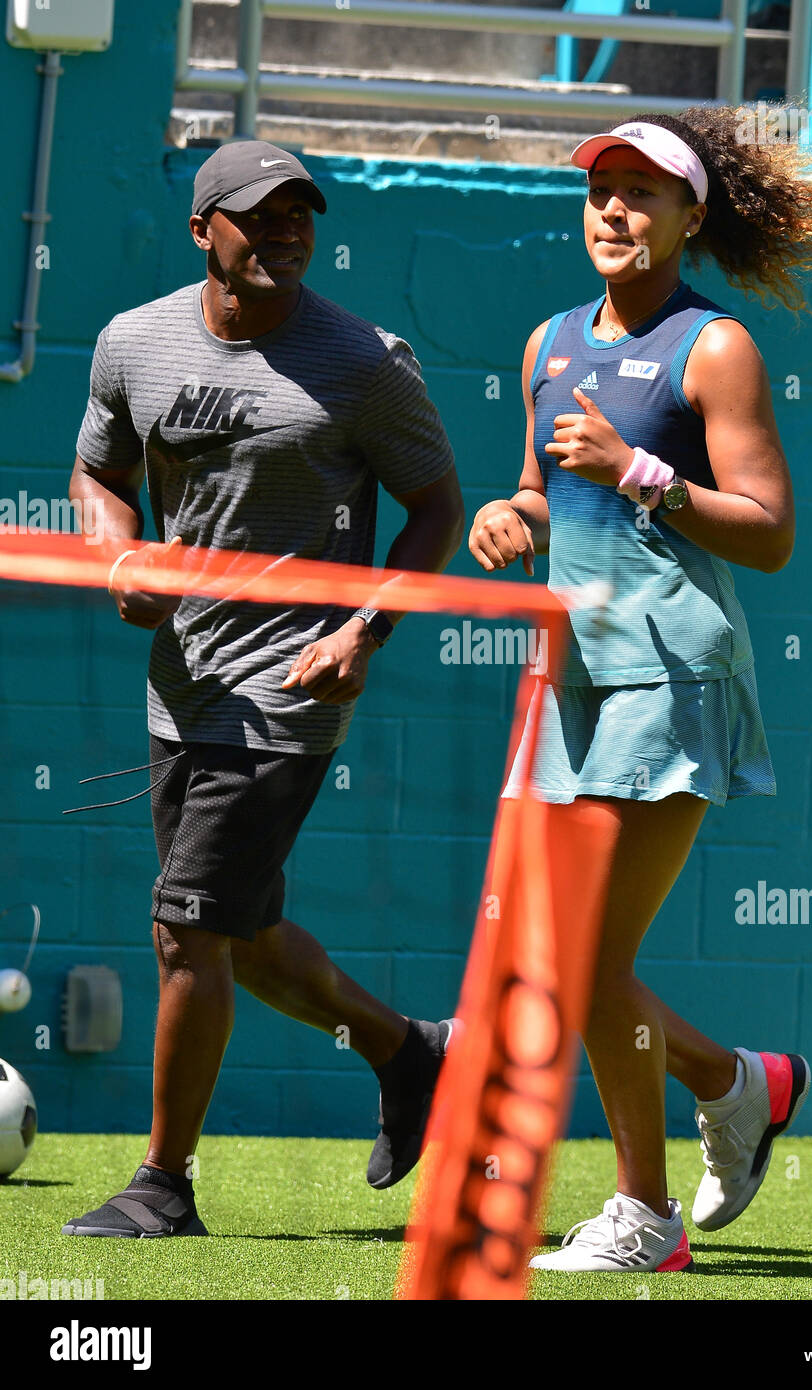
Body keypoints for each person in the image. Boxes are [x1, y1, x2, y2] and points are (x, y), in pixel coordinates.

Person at [469, 110, 812, 1272]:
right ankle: (732, 1083)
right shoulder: (547, 342)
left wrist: (641, 470)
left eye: (643, 193)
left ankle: (646, 1217)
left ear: (689, 218)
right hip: (574, 678)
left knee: (583, 962)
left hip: (671, 673)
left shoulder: (715, 349)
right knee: (566, 958)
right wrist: (512, 514)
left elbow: (769, 534)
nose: (614, 209)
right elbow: (544, 490)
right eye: (601, 188)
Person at [62, 140, 465, 1237]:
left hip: (291, 686)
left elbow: (436, 505)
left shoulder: (364, 361)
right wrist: (120, 555)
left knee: (183, 928)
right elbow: (100, 474)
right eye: (260, 216)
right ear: (204, 230)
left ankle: (163, 1183)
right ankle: (408, 1048)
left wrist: (364, 629)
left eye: (302, 217)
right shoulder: (131, 342)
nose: (286, 234)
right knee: (235, 932)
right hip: (180, 678)